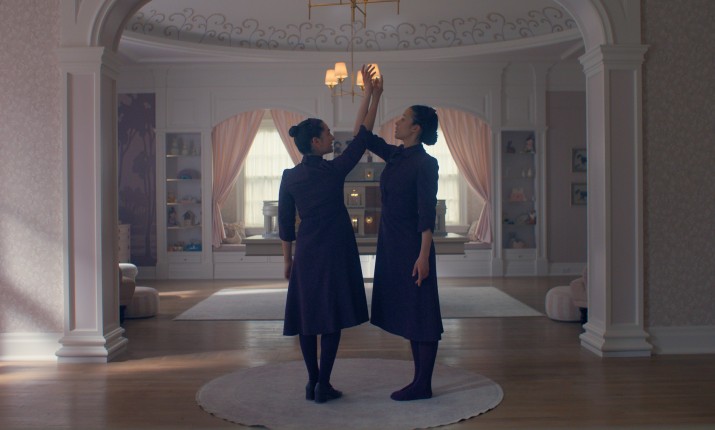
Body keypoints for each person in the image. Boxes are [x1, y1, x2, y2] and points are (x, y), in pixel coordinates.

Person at [278, 65, 383, 404]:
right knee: (331, 317)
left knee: (308, 317)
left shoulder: (290, 177)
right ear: (315, 142)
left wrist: (287, 261)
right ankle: (324, 383)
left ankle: (313, 383)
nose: (331, 138)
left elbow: (284, 224)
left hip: (308, 250)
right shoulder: (333, 170)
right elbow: (362, 137)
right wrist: (371, 95)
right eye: (326, 134)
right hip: (336, 248)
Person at [351, 103, 443, 401]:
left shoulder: (425, 163)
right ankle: (419, 381)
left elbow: (426, 213)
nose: (397, 122)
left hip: (413, 247)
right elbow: (361, 135)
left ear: (415, 128)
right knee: (411, 314)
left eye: (403, 119)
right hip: (391, 244)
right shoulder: (395, 155)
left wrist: (423, 256)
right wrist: (372, 95)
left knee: (422, 314)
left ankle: (423, 385)